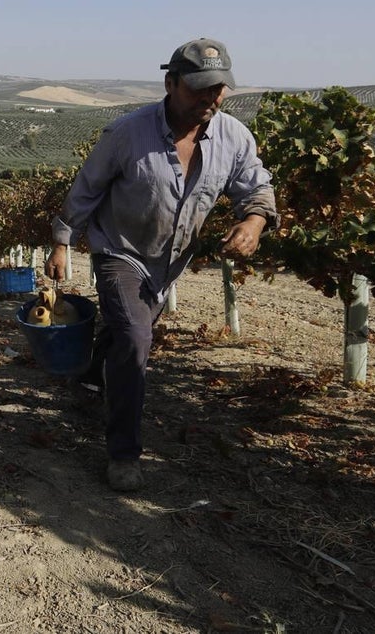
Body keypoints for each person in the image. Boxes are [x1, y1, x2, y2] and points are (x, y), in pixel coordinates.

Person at [45, 38, 279, 492]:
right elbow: (86, 189)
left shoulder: (234, 137)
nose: (211, 99)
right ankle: (124, 453)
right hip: (120, 250)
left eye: (220, 90)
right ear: (171, 84)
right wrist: (61, 242)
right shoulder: (126, 134)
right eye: (200, 89)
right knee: (136, 337)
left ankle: (93, 377)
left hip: (169, 263)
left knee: (126, 332)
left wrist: (253, 222)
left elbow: (256, 189)